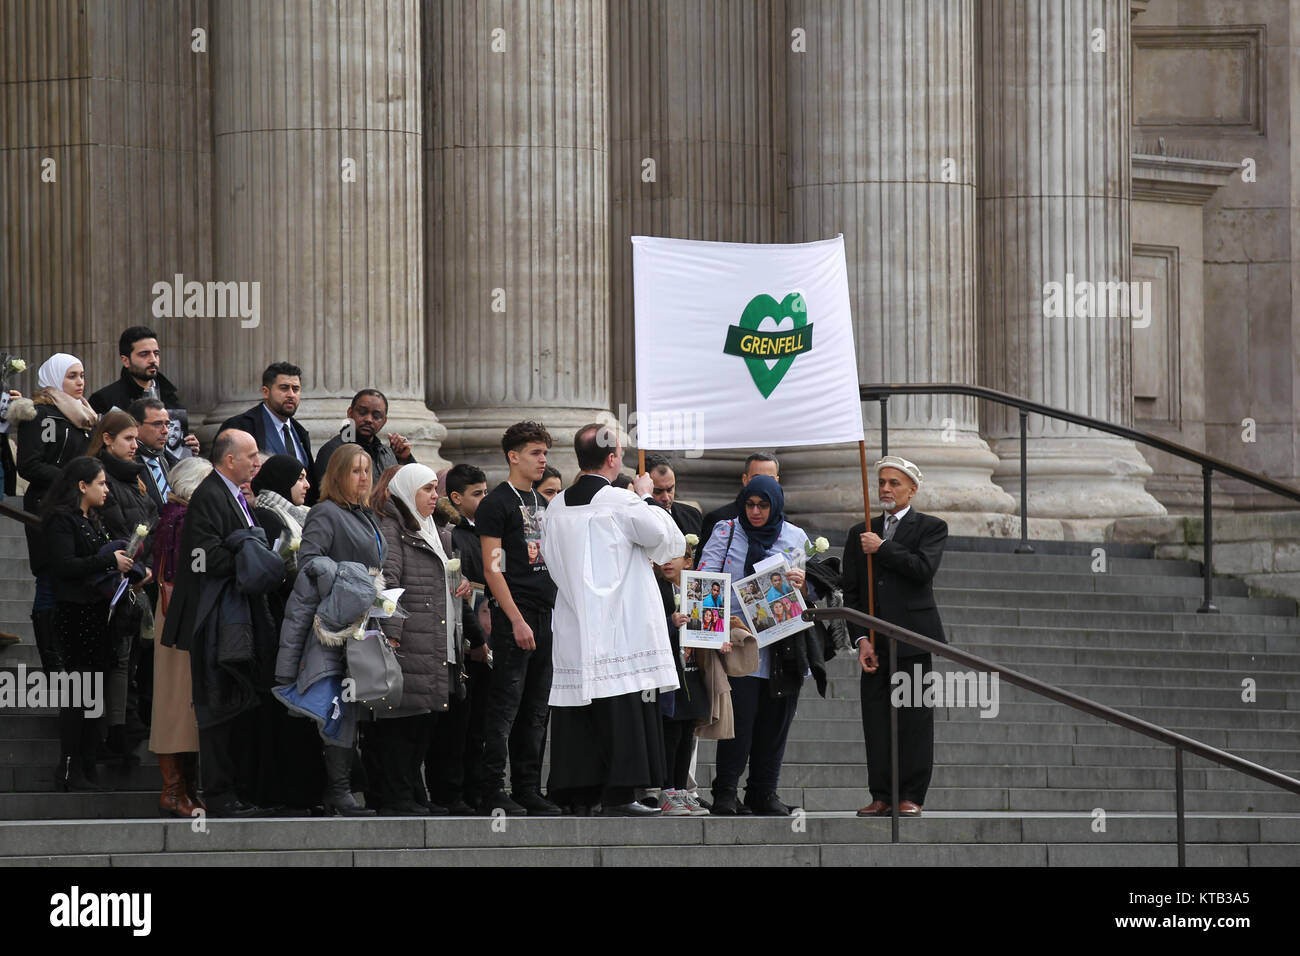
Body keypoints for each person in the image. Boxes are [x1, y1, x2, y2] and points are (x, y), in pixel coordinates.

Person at [542, 423, 685, 817]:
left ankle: (578, 794)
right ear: (611, 458)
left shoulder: (556, 507)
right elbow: (670, 541)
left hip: (576, 622)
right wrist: (644, 497)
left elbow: (551, 562)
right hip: (622, 627)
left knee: (581, 710)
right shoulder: (621, 503)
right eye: (619, 451)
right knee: (623, 708)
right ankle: (621, 794)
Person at [160, 428, 282, 818]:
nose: (256, 462)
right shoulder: (211, 495)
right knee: (217, 704)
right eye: (250, 456)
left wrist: (248, 546)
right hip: (214, 618)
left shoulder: (231, 493)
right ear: (230, 460)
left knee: (236, 702)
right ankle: (218, 794)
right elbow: (201, 556)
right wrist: (249, 550)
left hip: (236, 614)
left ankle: (235, 790)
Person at [697, 475, 821, 816]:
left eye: (762, 505)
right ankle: (725, 791)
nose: (754, 512)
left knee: (774, 722)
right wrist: (712, 632)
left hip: (782, 643)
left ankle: (764, 792)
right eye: (749, 504)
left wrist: (803, 583)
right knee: (739, 720)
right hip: (738, 641)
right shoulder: (725, 531)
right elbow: (708, 580)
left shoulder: (795, 537)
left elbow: (812, 590)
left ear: (775, 505)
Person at [275, 443, 385, 816]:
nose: (364, 478)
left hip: (363, 624)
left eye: (367, 471)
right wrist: (353, 578)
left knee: (357, 703)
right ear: (338, 475)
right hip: (331, 627)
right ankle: (338, 791)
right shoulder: (325, 511)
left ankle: (349, 786)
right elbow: (309, 561)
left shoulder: (365, 514)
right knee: (337, 706)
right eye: (355, 471)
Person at [840, 456, 948, 819]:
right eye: (882, 482)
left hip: (913, 638)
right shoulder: (861, 531)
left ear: (912, 490)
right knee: (877, 720)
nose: (885, 489)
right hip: (875, 641)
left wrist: (883, 548)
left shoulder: (931, 527)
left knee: (914, 720)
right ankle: (882, 794)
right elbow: (850, 594)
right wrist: (860, 640)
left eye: (894, 484)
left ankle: (911, 794)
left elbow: (922, 569)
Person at [372, 463, 473, 815]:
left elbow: (448, 576)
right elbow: (387, 587)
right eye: (427, 489)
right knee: (403, 724)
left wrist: (460, 586)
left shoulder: (437, 530)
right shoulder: (394, 529)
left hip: (437, 640)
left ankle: (413, 794)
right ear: (407, 490)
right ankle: (396, 797)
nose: (435, 496)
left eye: (435, 489)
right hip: (409, 641)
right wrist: (391, 636)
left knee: (424, 722)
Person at [474, 421, 561, 817]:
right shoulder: (497, 503)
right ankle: (492, 787)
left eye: (545, 453)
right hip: (516, 616)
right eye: (535, 453)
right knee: (506, 705)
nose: (543, 460)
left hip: (547, 614)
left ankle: (528, 786)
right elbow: (494, 569)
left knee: (536, 708)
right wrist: (516, 620)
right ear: (513, 456)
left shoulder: (543, 504)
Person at [42, 457, 133, 791]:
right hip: (74, 613)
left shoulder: (93, 519)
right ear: (82, 486)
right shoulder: (61, 520)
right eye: (101, 483)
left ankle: (88, 761)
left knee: (95, 694)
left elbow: (100, 561)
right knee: (78, 694)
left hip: (98, 615)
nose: (107, 489)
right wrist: (109, 560)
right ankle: (69, 766)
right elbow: (65, 565)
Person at [11, 353, 98, 670]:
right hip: (46, 507)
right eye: (72, 376)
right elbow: (29, 465)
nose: (80, 382)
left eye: (82, 375)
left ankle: (70, 650)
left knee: (71, 579)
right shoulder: (39, 414)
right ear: (55, 377)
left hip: (78, 508)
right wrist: (73, 479)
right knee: (49, 576)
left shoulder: (85, 417)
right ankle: (52, 658)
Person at [149, 457, 213, 817]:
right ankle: (174, 790)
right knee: (176, 706)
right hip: (179, 619)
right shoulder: (183, 517)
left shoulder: (172, 513)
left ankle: (184, 788)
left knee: (180, 704)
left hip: (174, 617)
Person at [427, 463, 491, 812]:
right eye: (477, 494)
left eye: (485, 491)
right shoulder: (452, 535)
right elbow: (461, 589)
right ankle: (450, 791)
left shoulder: (489, 533)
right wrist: (474, 636)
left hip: (488, 637)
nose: (485, 499)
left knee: (479, 723)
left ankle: (475, 788)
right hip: (462, 640)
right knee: (456, 724)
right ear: (455, 497)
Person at [218, 362, 315, 501]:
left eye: (296, 389)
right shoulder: (240, 427)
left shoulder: (300, 432)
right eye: (284, 388)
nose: (291, 395)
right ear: (266, 391)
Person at [313, 388, 415, 488]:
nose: (368, 419)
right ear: (350, 413)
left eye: (376, 416)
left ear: (384, 421)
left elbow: (414, 489)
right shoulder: (333, 450)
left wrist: (405, 459)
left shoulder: (388, 453)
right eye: (362, 412)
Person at [698, 452, 779, 552]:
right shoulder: (719, 521)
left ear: (777, 481)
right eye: (756, 478)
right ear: (745, 480)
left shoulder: (785, 525)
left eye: (769, 479)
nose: (762, 484)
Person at [128, 398, 179, 512]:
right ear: (136, 426)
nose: (165, 431)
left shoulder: (172, 462)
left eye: (167, 424)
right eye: (157, 424)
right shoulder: (127, 465)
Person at [645, 454, 703, 541]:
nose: (666, 498)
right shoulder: (634, 519)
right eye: (658, 491)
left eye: (669, 490)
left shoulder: (692, 515)